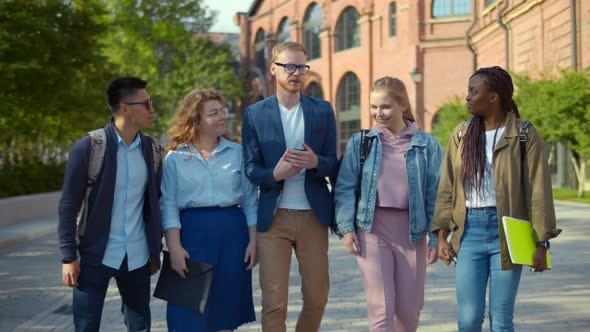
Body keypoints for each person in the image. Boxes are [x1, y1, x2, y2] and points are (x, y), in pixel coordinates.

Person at [431, 66, 562, 332]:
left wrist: (541, 243)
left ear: (494, 97)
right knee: (468, 319)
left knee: (501, 319)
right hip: (469, 233)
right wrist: (441, 236)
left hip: (510, 232)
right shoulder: (461, 135)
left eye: (473, 91)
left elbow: (539, 191)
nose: (467, 97)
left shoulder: (524, 134)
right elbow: (447, 188)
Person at [241, 41, 339, 332]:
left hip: (313, 216)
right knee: (274, 304)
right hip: (274, 219)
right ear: (273, 69)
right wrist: (276, 173)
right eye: (289, 66)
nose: (296, 73)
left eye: (301, 67)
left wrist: (315, 162)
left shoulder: (322, 110)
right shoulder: (255, 114)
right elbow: (250, 168)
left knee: (317, 298)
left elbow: (333, 164)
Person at [335, 76, 442, 332]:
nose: (378, 113)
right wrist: (347, 229)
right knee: (381, 310)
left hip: (412, 233)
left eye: (385, 107)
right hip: (372, 230)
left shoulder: (427, 145)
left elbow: (436, 194)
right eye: (373, 107)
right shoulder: (361, 143)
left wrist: (437, 238)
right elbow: (345, 187)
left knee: (409, 313)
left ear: (402, 105)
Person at [58, 77, 163, 332]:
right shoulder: (90, 148)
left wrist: (155, 246)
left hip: (137, 256)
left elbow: (157, 202)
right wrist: (68, 257)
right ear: (125, 107)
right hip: (95, 256)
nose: (152, 110)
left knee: (140, 326)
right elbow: (68, 205)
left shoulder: (153, 151)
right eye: (146, 103)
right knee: (86, 326)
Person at [159, 88, 257, 332]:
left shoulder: (238, 153)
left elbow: (250, 200)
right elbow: (168, 204)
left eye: (222, 111)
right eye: (213, 113)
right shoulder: (175, 158)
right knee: (187, 314)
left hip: (233, 238)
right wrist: (174, 247)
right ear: (196, 120)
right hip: (192, 238)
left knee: (225, 313)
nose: (222, 116)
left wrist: (255, 241)